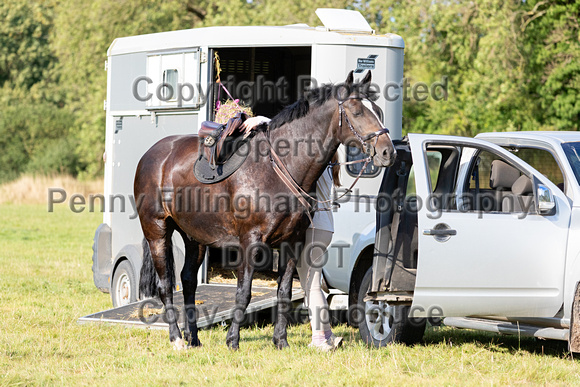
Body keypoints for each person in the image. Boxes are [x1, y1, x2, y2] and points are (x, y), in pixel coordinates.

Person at [241, 116, 343, 352]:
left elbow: (295, 139)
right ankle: (327, 333)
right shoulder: (330, 165)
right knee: (312, 282)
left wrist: (263, 120)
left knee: (312, 284)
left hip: (314, 225)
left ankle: (319, 339)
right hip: (325, 226)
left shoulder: (314, 165)